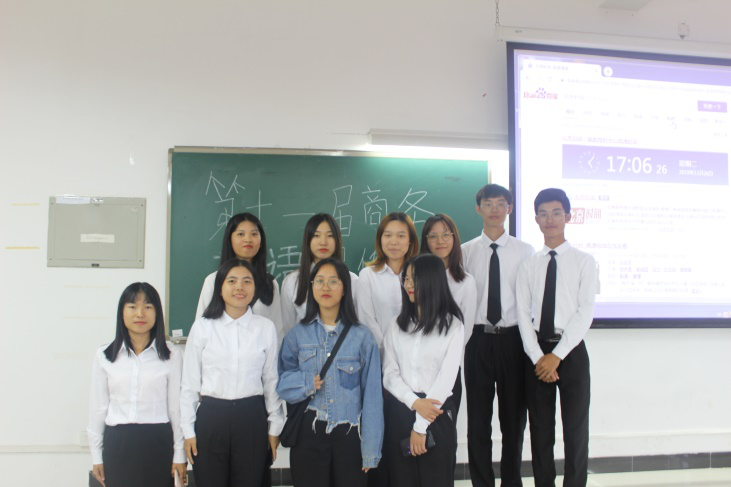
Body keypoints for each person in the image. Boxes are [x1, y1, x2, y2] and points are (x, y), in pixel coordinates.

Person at [277, 258, 383, 487]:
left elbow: (373, 397)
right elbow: (282, 383)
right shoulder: (296, 335)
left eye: (333, 281)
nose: (326, 287)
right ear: (311, 287)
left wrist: (371, 450)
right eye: (319, 281)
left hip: (350, 436)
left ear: (344, 288)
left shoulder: (362, 337)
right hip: (309, 434)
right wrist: (306, 382)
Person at [516, 188, 597, 487]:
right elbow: (522, 314)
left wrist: (557, 356)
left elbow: (585, 312)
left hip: (571, 352)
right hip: (537, 353)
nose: (550, 219)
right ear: (536, 219)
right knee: (540, 431)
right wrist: (540, 358)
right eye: (543, 214)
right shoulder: (529, 264)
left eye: (556, 213)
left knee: (576, 430)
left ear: (568, 217)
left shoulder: (584, 261)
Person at [181, 258, 284, 487]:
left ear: (254, 288)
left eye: (247, 281)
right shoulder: (203, 327)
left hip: (252, 418)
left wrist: (275, 425)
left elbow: (271, 380)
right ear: (220, 287)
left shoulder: (264, 328)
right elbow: (189, 384)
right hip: (211, 419)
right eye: (232, 281)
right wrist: (188, 430)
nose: (240, 287)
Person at [461, 184, 534, 487]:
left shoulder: (525, 251)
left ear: (509, 209)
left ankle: (511, 482)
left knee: (513, 420)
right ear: (478, 209)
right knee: (478, 420)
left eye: (500, 203)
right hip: (477, 339)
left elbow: (531, 299)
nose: (494, 209)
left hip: (513, 340)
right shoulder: (464, 252)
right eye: (488, 204)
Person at [88, 283, 186, 487]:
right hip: (118, 443)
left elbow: (176, 408)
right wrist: (96, 455)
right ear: (122, 312)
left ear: (157, 313)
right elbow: (98, 408)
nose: (140, 313)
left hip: (158, 441)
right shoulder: (105, 355)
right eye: (132, 306)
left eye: (148, 307)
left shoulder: (172, 355)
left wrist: (179, 453)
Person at [382, 254, 465, 487]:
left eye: (414, 279)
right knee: (402, 479)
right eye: (406, 279)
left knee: (436, 480)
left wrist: (420, 427)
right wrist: (414, 402)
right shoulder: (396, 325)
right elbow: (389, 373)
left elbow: (446, 380)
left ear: (432, 280)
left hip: (436, 414)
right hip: (401, 411)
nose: (408, 285)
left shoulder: (453, 326)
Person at [419, 213, 476, 422]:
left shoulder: (466, 282)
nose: (440, 241)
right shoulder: (414, 277)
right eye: (433, 236)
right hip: (416, 365)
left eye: (445, 234)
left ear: (454, 238)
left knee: (443, 427)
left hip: (447, 367)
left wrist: (446, 358)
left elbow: (466, 330)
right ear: (426, 241)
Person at [196, 213, 283, 338]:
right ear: (230, 239)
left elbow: (277, 331)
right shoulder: (213, 281)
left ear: (261, 241)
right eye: (241, 234)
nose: (248, 239)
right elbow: (200, 329)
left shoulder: (270, 282)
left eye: (254, 234)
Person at [280, 213, 359, 336]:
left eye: (330, 236)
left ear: (337, 240)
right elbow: (287, 329)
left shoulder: (352, 280)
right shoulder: (292, 281)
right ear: (308, 240)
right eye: (316, 235)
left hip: (344, 346)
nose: (323, 242)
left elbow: (357, 326)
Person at [356, 212, 419, 354]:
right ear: (380, 239)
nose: (394, 242)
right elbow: (366, 320)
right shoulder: (367, 276)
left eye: (401, 236)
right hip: (380, 355)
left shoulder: (422, 275)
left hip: (416, 355)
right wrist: (388, 352)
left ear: (410, 240)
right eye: (387, 235)